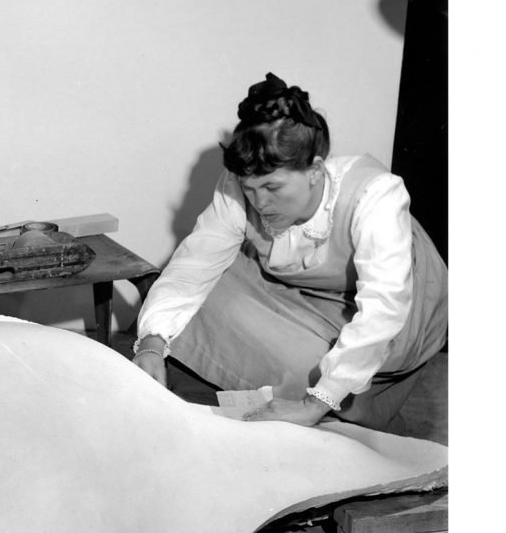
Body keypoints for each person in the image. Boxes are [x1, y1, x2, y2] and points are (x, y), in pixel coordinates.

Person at [131, 73, 448, 431]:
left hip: (401, 303)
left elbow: (384, 305)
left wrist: (316, 404)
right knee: (199, 294)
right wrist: (152, 345)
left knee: (315, 373)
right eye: (250, 188)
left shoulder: (374, 194)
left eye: (272, 187)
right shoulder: (241, 186)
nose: (260, 202)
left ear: (314, 170)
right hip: (306, 292)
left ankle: (336, 398)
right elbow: (194, 265)